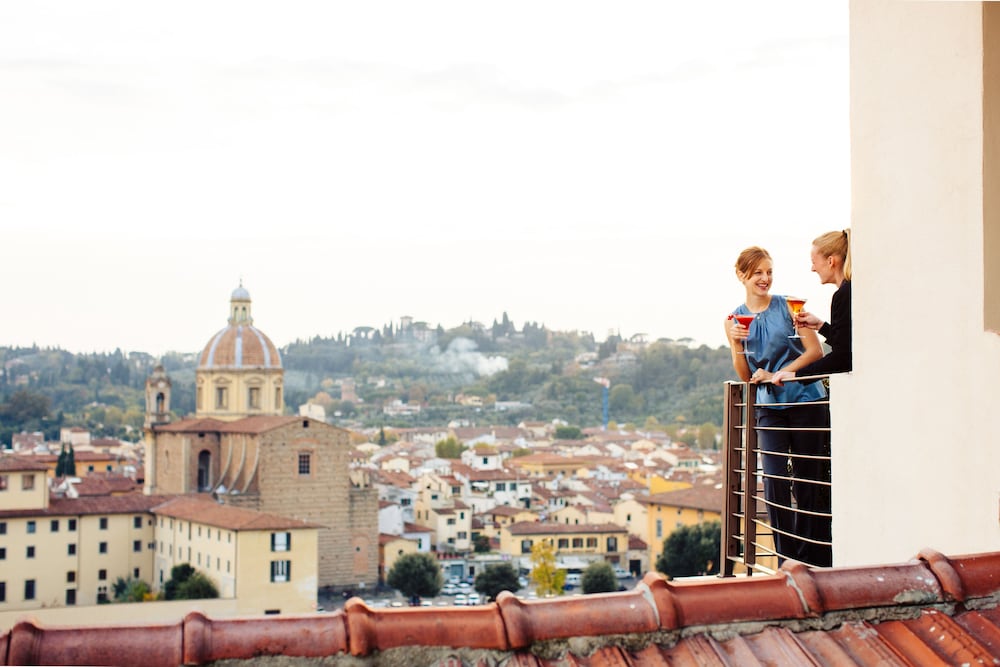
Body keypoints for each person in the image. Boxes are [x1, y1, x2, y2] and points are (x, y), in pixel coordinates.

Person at [726, 246, 832, 567]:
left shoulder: (789, 306)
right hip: (769, 407)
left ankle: (811, 556)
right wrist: (736, 343)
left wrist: (778, 373)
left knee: (807, 477)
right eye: (758, 272)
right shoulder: (734, 319)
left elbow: (815, 352)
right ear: (742, 275)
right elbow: (744, 376)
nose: (765, 278)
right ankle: (787, 560)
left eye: (769, 271)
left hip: (806, 401)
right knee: (774, 481)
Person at [771, 229, 852, 385]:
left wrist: (796, 375)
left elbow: (842, 358)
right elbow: (849, 345)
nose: (812, 268)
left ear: (830, 261)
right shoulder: (850, 290)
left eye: (814, 262)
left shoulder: (843, 295)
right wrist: (821, 326)